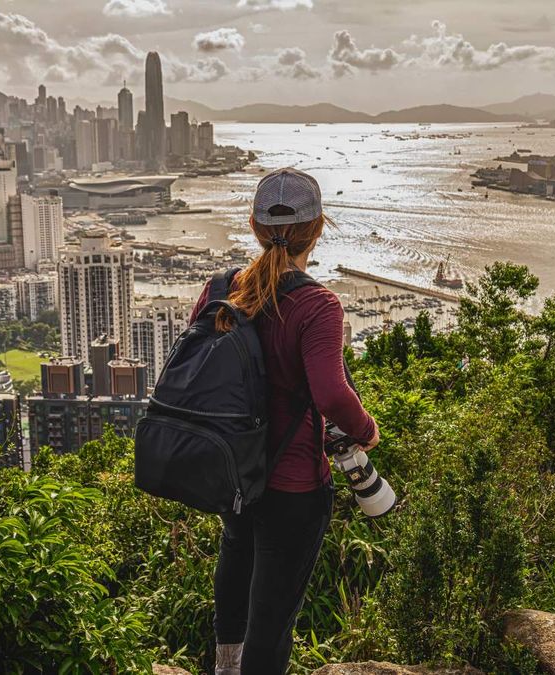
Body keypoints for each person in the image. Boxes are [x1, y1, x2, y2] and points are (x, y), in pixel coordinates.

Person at [187, 168, 379, 674]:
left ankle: (225, 669)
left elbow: (195, 368)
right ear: (316, 230)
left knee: (235, 580)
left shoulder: (221, 288)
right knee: (271, 618)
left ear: (253, 226)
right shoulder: (317, 305)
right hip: (292, 487)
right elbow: (332, 395)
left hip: (233, 474)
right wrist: (365, 431)